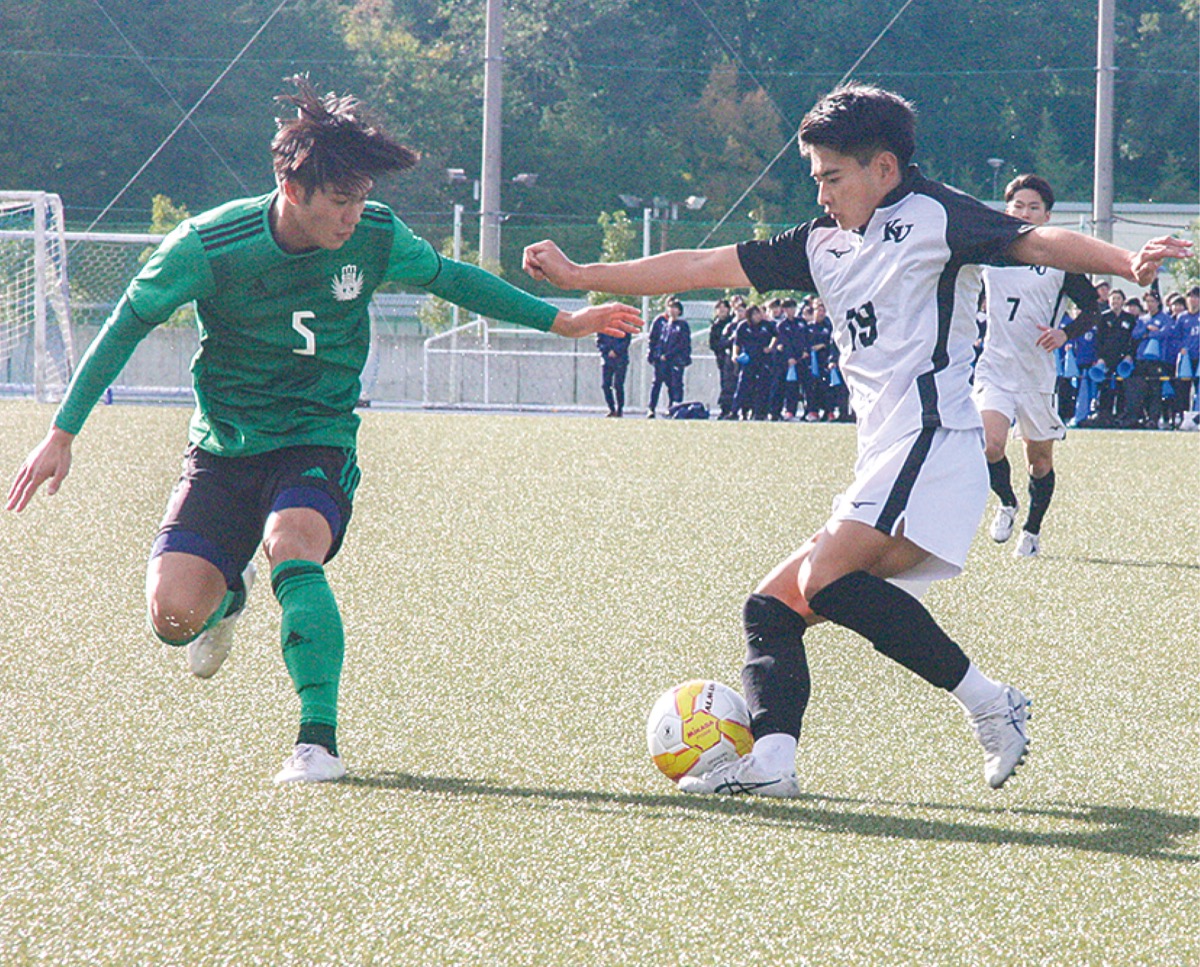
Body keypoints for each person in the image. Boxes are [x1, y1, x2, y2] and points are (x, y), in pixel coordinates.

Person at [524, 82, 1189, 797]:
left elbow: (1035, 242)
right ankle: (773, 763)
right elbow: (695, 266)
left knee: (826, 580)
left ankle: (991, 702)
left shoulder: (934, 214)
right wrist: (582, 276)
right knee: (770, 609)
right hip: (884, 453)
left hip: (933, 440)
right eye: (816, 178)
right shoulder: (822, 243)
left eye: (833, 178)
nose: (822, 195)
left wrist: (1127, 263)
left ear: (884, 168)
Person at [6, 75, 641, 785]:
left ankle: (317, 743)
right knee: (173, 618)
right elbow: (128, 322)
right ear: (291, 188)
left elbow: (452, 279)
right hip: (223, 447)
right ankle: (230, 594)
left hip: (317, 438)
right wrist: (62, 433)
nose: (352, 216)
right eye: (340, 201)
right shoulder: (209, 245)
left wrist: (564, 319)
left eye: (361, 198)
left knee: (292, 545)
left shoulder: (374, 236)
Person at [973, 174, 1102, 559]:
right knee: (989, 445)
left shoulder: (1060, 260)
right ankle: (1007, 502)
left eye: (1033, 207)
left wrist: (1065, 333)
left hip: (1036, 377)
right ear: (1006, 209)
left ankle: (1031, 530)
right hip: (994, 368)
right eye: (1018, 205)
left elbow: (1092, 309)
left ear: (1047, 216)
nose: (1024, 212)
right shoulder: (989, 254)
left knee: (1040, 462)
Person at [1122, 290, 1172, 429]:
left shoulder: (1165, 318)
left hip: (1157, 359)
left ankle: (1153, 418)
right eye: (1147, 301)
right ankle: (1138, 417)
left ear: (1158, 303)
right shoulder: (1142, 319)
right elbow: (1135, 334)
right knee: (1139, 389)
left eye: (1152, 301)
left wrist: (1150, 334)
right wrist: (1147, 330)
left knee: (1155, 390)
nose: (1149, 304)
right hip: (1141, 358)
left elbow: (1165, 332)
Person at [645, 297, 692, 417]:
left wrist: (669, 355)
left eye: (675, 308)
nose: (672, 310)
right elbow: (656, 340)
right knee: (657, 383)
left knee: (675, 385)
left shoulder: (682, 325)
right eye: (670, 307)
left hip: (675, 361)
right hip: (661, 361)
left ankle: (674, 408)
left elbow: (682, 344)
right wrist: (654, 354)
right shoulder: (664, 324)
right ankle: (651, 408)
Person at [708, 298, 738, 419]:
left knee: (735, 384)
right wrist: (723, 346)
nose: (722, 310)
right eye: (719, 308)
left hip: (734, 358)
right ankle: (725, 409)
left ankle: (736, 409)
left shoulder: (732, 324)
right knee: (725, 384)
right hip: (722, 359)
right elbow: (713, 344)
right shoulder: (715, 326)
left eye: (724, 307)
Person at [597, 328, 631, 417]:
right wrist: (606, 350)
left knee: (618, 385)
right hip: (607, 359)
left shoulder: (624, 325)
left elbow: (626, 341)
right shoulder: (603, 325)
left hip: (620, 360)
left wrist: (616, 351)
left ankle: (620, 410)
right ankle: (612, 409)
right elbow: (599, 342)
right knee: (605, 385)